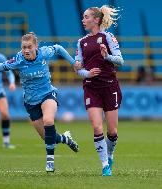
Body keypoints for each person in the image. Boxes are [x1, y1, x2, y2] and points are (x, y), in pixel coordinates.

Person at [0, 32, 82, 172]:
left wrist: (73, 62)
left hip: (47, 94)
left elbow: (59, 48)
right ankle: (66, 139)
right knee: (47, 137)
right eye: (24, 47)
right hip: (31, 102)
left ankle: (50, 161)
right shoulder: (18, 60)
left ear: (36, 46)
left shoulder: (44, 53)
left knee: (49, 120)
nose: (26, 50)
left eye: (29, 47)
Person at [74, 5, 124, 176]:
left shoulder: (108, 37)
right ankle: (104, 166)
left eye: (86, 17)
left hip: (110, 86)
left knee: (112, 131)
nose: (83, 20)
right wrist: (86, 72)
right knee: (97, 127)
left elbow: (120, 61)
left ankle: (110, 155)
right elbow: (78, 68)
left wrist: (107, 57)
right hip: (91, 87)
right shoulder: (81, 42)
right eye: (83, 17)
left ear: (96, 19)